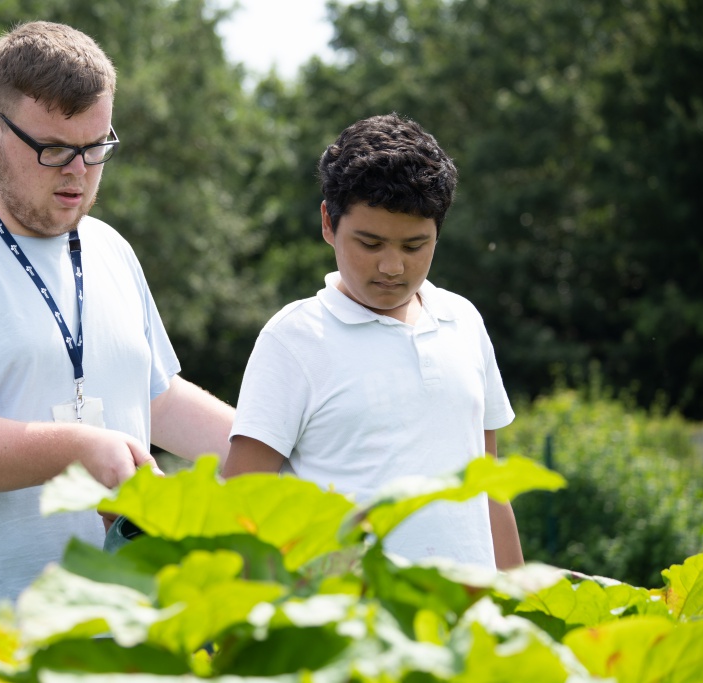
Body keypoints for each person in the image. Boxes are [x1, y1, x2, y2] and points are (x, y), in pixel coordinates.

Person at [0, 21, 234, 635]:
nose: (78, 172)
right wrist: (80, 449)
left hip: (93, 644)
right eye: (54, 149)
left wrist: (273, 449)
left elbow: (153, 397)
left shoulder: (110, 250)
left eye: (97, 147)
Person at [223, 113, 524, 571]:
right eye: (369, 242)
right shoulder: (294, 339)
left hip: (468, 626)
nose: (391, 267)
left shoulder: (463, 321)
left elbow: (489, 487)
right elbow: (241, 503)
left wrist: (520, 610)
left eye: (413, 246)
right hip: (349, 630)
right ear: (329, 222)